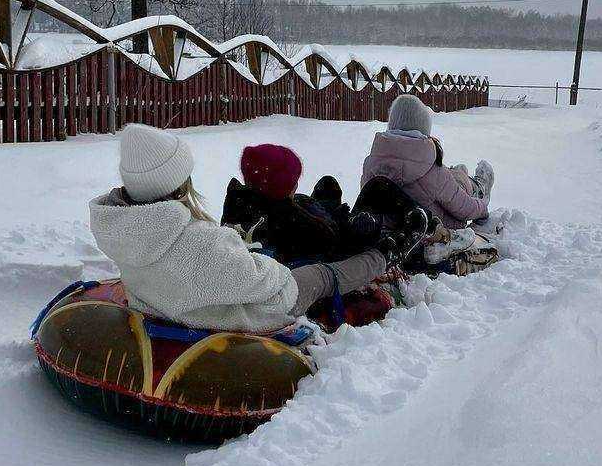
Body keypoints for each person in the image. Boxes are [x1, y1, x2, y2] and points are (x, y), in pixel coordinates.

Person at [89, 124, 426, 336]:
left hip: (178, 300)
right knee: (324, 275)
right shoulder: (195, 243)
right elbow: (263, 283)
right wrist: (266, 263)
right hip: (246, 311)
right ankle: (383, 257)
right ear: (178, 182)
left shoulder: (129, 230)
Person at [220, 143, 378, 263]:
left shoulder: (238, 201)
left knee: (326, 185)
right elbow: (335, 245)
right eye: (293, 181)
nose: (296, 185)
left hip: (285, 239)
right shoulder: (291, 220)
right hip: (309, 265)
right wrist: (359, 232)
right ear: (280, 187)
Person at [359, 94, 495, 231]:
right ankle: (478, 188)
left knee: (449, 178)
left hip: (390, 233)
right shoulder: (433, 173)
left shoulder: (371, 164)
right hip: (434, 230)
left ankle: (459, 175)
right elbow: (465, 209)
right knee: (458, 182)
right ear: (423, 127)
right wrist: (483, 210)